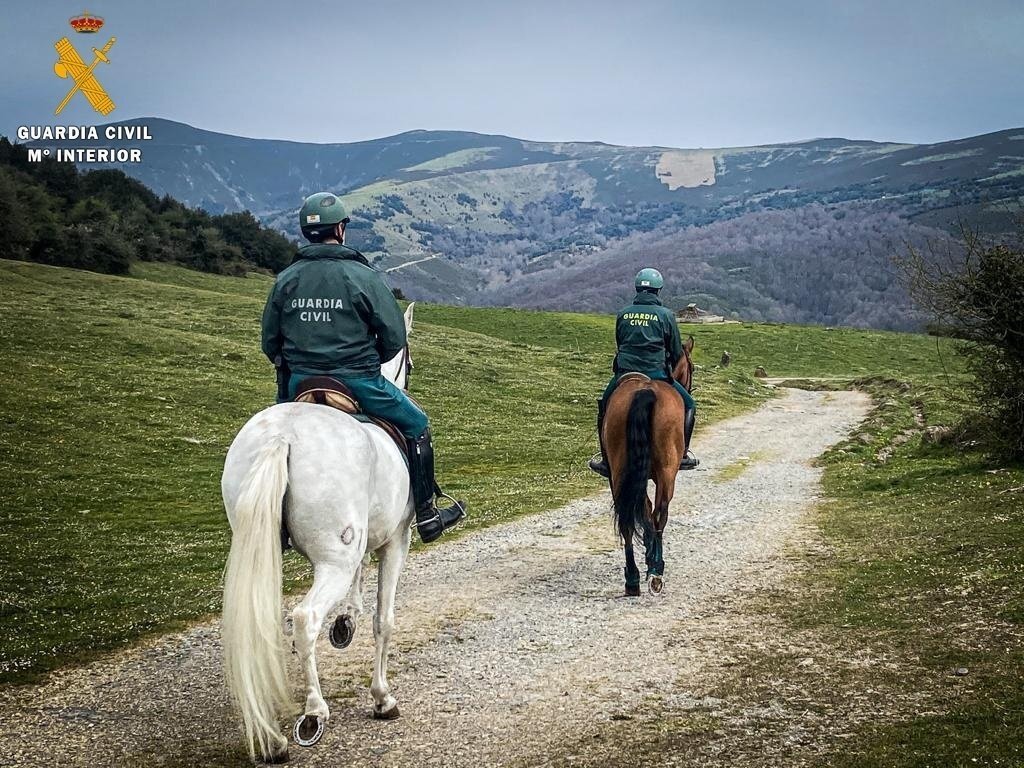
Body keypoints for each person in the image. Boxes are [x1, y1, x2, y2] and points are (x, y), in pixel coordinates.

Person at [261, 192, 465, 543]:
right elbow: (394, 337)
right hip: (358, 382)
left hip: (299, 385)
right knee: (417, 424)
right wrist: (369, 360)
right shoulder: (363, 277)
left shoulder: (286, 280)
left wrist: (297, 366)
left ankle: (278, 525)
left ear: (306, 232)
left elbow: (269, 342)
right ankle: (428, 515)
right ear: (340, 229)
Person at [588, 267, 699, 477]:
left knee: (605, 404)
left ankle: (605, 459)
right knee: (690, 404)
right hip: (657, 374)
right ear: (658, 290)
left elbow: (620, 344)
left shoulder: (623, 314)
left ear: (637, 288)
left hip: (625, 374)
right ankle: (683, 454)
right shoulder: (666, 315)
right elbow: (677, 351)